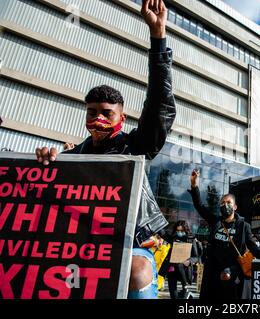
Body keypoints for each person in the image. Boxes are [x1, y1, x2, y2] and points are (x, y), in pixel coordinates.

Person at [34, 0, 176, 299]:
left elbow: (160, 105)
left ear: (121, 118)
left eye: (107, 113)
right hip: (79, 248)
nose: (97, 118)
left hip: (129, 245)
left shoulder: (134, 147)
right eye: (91, 111)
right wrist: (44, 166)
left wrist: (158, 36)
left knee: (136, 272)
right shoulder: (71, 159)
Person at [188, 169, 260, 299]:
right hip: (213, 273)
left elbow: (252, 247)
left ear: (235, 207)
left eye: (228, 202)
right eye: (222, 203)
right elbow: (199, 206)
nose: (225, 205)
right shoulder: (216, 222)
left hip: (233, 273)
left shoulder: (243, 226)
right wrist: (194, 185)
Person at [164, 220, 202, 299]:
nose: (179, 232)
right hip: (172, 269)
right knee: (173, 294)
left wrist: (189, 261)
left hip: (184, 270)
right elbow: (163, 234)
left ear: (185, 230)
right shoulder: (174, 238)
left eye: (181, 231)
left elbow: (196, 257)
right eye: (177, 230)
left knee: (184, 295)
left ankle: (185, 287)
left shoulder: (191, 240)